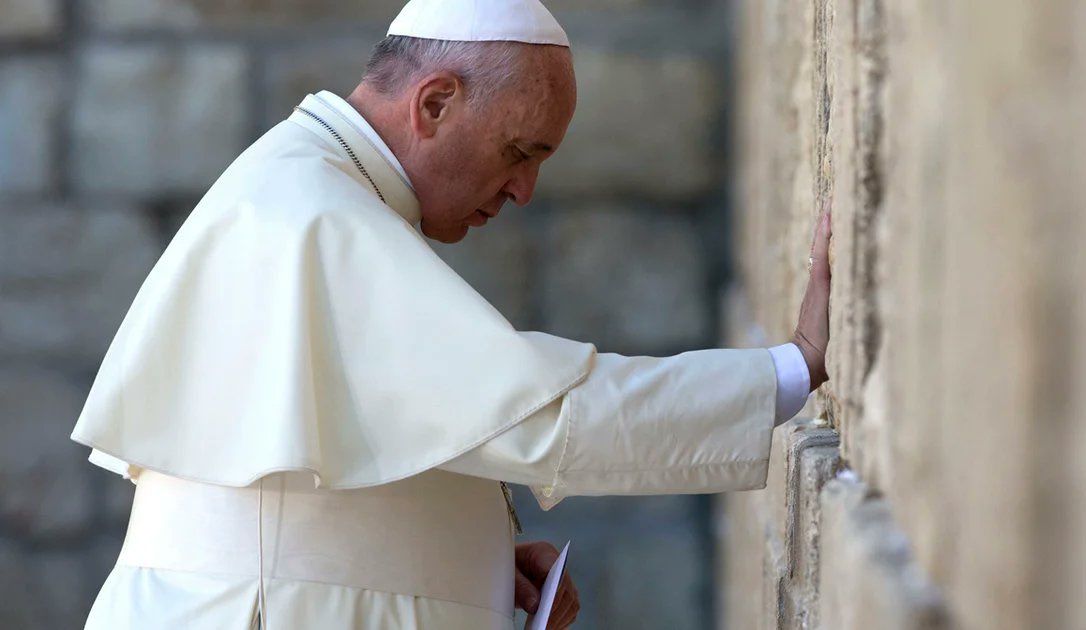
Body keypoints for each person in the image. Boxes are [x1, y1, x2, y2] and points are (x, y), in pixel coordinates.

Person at [70, 0, 833, 628]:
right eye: (519, 152)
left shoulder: (311, 190)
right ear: (435, 102)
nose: (523, 190)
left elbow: (305, 492)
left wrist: (465, 556)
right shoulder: (314, 217)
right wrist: (792, 367)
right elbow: (540, 416)